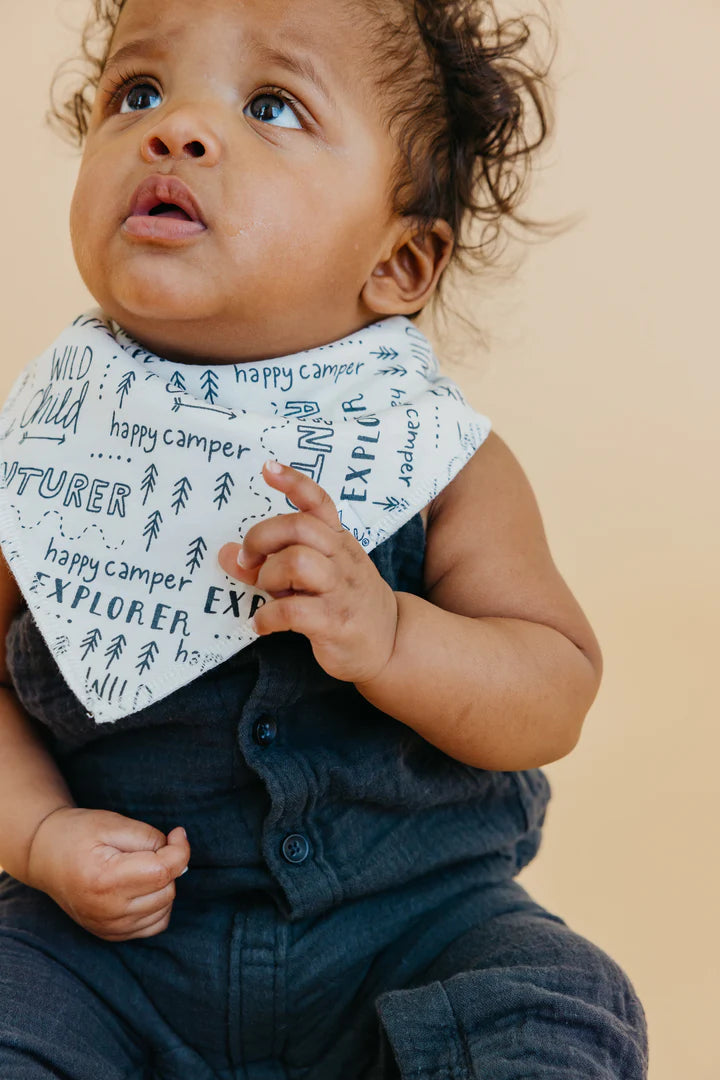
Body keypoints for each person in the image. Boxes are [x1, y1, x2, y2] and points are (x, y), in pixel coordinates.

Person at [0, 0, 649, 1077]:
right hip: (110, 956)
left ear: (398, 262)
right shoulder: (41, 445)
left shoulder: (434, 458)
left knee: (553, 1000)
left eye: (270, 105)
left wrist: (396, 636)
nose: (176, 130)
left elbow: (554, 689)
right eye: (139, 93)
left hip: (411, 929)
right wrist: (36, 839)